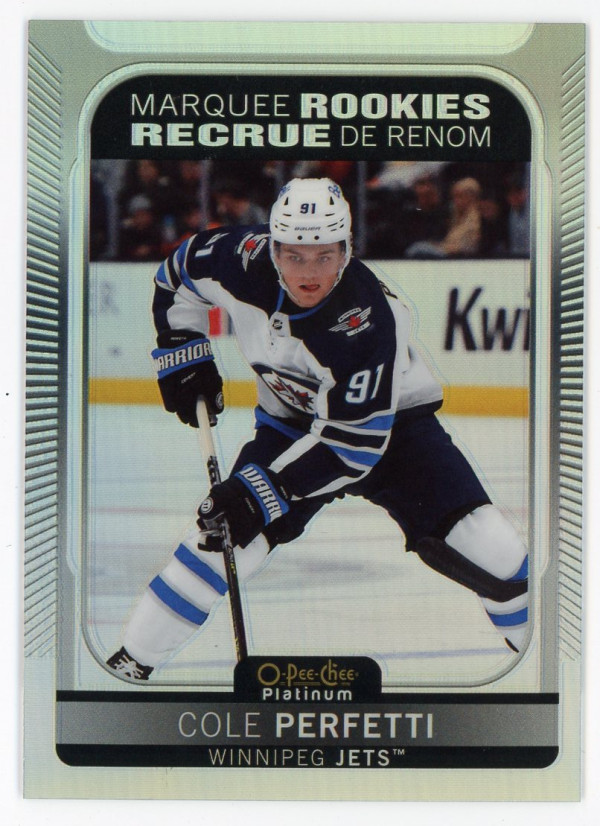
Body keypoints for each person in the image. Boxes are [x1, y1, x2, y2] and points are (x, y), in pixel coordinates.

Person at [106, 177, 528, 680]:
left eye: (325, 256)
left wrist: (259, 493)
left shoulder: (366, 318)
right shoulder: (236, 259)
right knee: (218, 542)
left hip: (395, 435)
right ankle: (129, 665)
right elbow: (177, 275)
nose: (309, 273)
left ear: (346, 251)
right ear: (272, 248)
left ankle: (550, 655)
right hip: (289, 425)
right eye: (294, 256)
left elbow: (354, 448)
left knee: (495, 553)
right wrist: (183, 352)